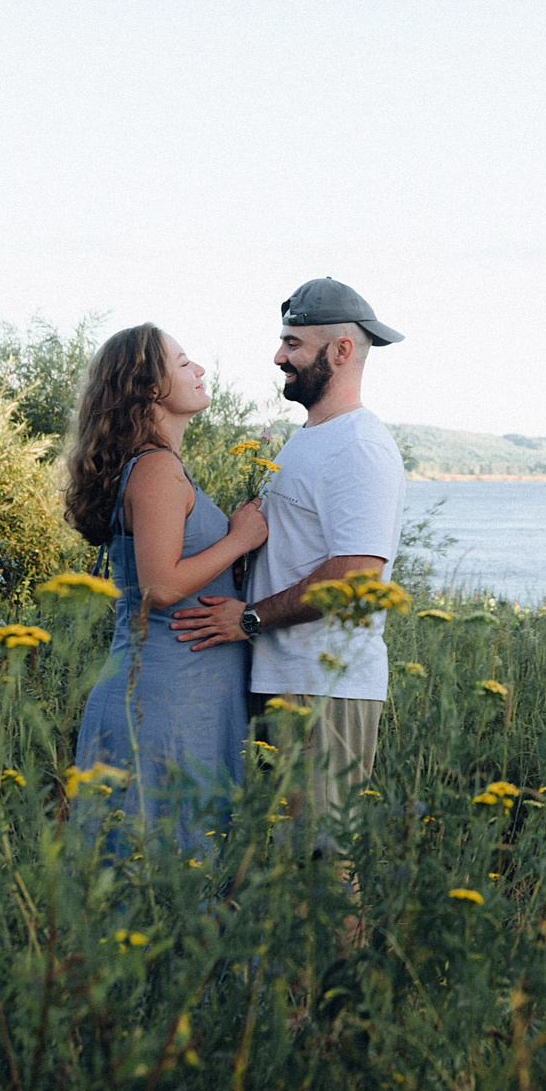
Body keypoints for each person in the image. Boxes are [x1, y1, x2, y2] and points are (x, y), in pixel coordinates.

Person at [174, 278, 405, 844]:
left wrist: (247, 619)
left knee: (322, 866)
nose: (280, 356)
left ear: (342, 350)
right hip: (283, 679)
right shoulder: (309, 438)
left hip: (325, 687)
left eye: (294, 343)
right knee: (277, 866)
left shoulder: (362, 445)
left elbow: (355, 577)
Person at [65, 324, 269, 851]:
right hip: (163, 699)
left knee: (181, 856)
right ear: (150, 387)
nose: (199, 370)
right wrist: (240, 540)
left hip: (187, 693)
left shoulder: (160, 467)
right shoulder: (155, 469)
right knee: (159, 861)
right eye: (183, 363)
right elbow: (159, 586)